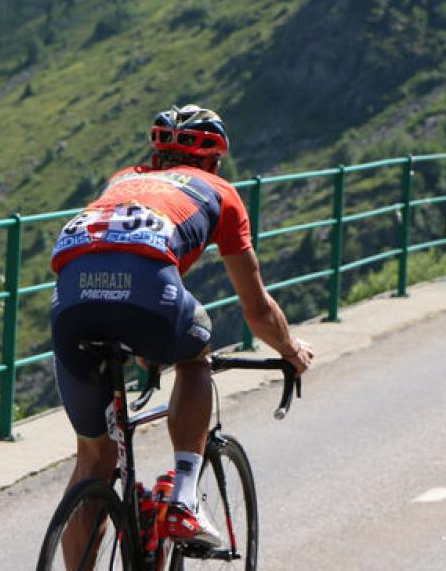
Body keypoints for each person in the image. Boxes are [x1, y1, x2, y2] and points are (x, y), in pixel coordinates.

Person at [49, 104, 313, 556]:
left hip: (71, 299)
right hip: (147, 294)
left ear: (155, 158)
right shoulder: (220, 191)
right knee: (196, 352)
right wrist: (290, 350)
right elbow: (257, 309)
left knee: (93, 461)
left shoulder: (122, 179)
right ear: (213, 160)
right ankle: (185, 499)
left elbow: (113, 258)